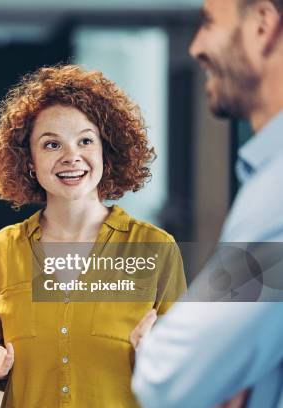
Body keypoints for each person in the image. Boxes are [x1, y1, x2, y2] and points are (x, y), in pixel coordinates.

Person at [0, 65, 186, 407]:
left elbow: (185, 366)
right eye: (51, 144)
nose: (71, 156)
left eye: (86, 140)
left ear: (107, 150)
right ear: (28, 159)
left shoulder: (155, 248)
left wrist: (160, 357)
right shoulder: (5, 247)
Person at [131, 0, 283, 407]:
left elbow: (169, 381)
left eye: (210, 23)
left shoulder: (277, 197)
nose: (196, 46)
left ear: (263, 25)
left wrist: (153, 343)